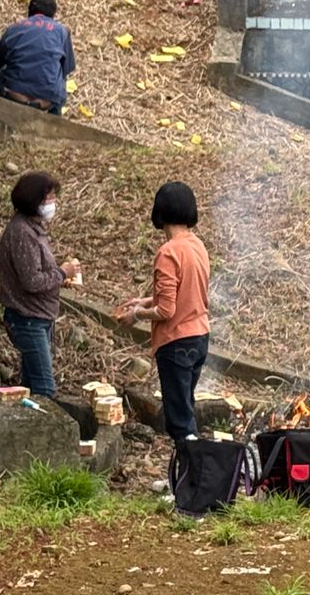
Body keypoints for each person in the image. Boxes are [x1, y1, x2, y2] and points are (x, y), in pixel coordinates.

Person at [118, 182, 210, 444]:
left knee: (180, 423)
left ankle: (192, 479)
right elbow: (187, 292)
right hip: (200, 336)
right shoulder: (197, 246)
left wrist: (136, 314)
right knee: (185, 407)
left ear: (159, 212)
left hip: (177, 343)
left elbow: (167, 310)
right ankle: (187, 475)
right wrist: (144, 300)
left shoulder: (168, 253)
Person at [0, 172, 81, 399]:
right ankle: (43, 431)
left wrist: (62, 278)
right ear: (34, 200)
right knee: (44, 387)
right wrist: (62, 272)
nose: (53, 202)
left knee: (30, 384)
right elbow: (32, 280)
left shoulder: (33, 228)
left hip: (39, 315)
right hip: (27, 318)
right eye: (49, 197)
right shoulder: (22, 233)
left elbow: (40, 274)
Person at [0, 0, 76, 115]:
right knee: (61, 77)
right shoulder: (62, 32)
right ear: (53, 15)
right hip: (46, 101)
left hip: (15, 95)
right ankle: (54, 122)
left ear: (29, 12)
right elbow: (67, 68)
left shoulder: (15, 28)